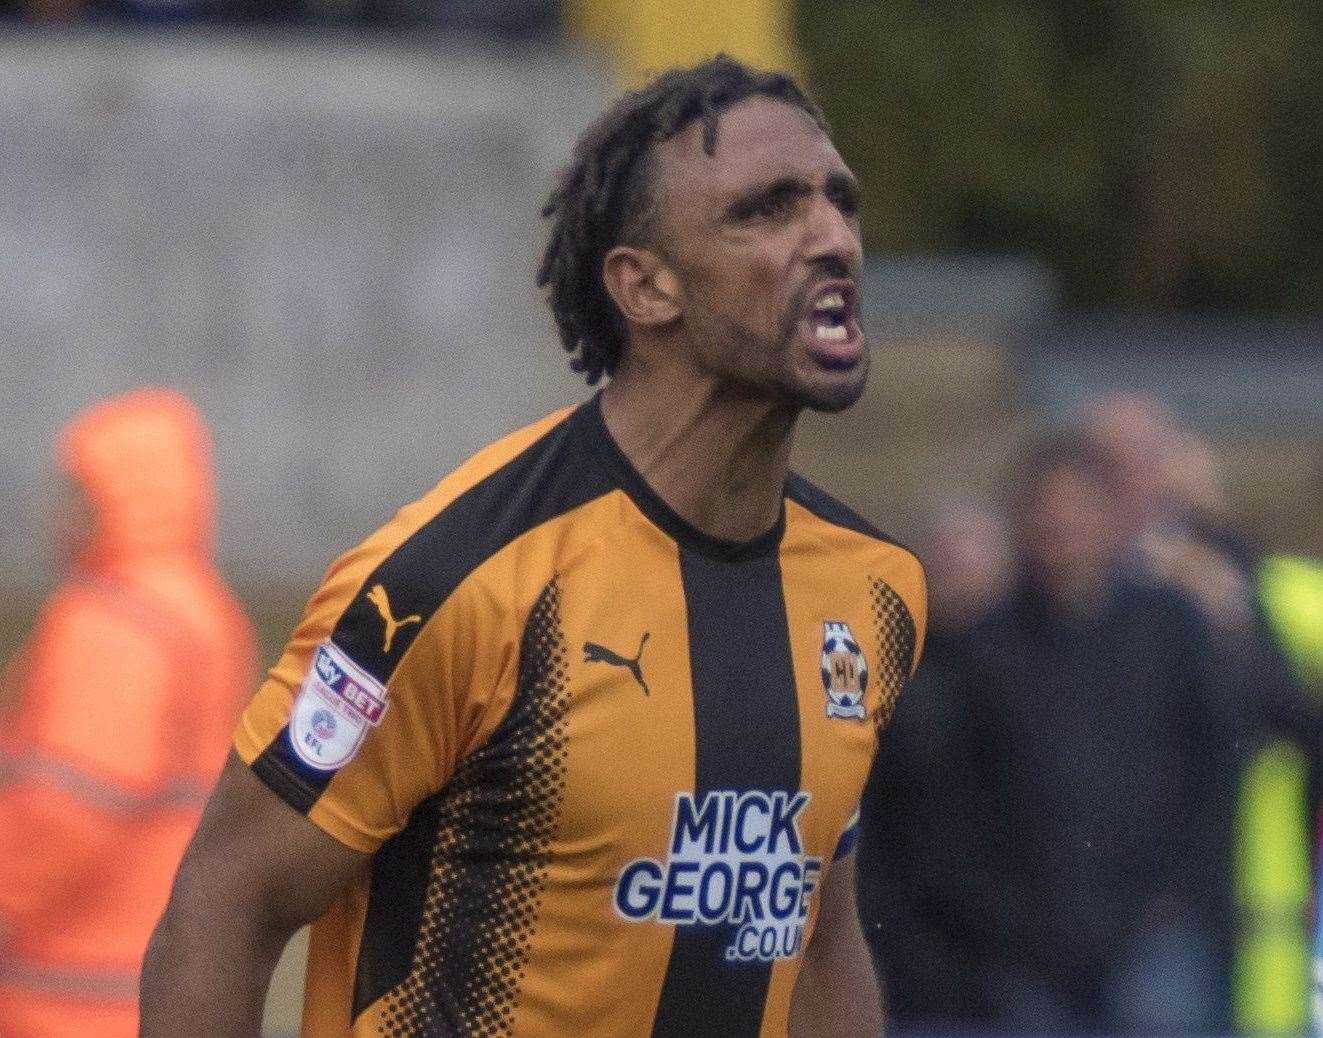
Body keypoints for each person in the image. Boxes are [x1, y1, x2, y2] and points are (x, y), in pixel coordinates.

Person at [140, 56, 927, 1036]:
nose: (833, 238)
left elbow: (820, 941)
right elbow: (225, 905)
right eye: (768, 209)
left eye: (838, 200)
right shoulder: (460, 579)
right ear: (645, 288)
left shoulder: (873, 591)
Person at [0, 388, 256, 1037]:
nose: (58, 516)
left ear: (113, 498)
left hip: (67, 994)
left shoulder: (114, 621)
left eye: (73, 494)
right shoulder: (207, 610)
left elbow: (70, 803)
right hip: (149, 976)